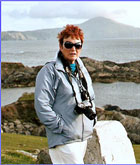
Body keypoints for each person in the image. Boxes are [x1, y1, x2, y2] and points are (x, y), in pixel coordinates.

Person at [34, 24, 97, 164]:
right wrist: (61, 127)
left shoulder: (81, 69)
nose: (73, 49)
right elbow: (41, 105)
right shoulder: (49, 71)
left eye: (77, 45)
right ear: (61, 46)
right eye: (68, 44)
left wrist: (92, 120)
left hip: (82, 137)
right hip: (63, 140)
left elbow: (91, 97)